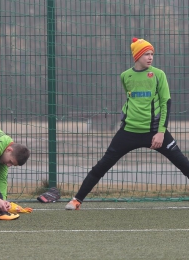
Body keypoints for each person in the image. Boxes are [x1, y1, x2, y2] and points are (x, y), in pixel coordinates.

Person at [65, 37, 189, 210]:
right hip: (128, 132)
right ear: (137, 56)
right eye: (146, 53)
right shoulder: (126, 76)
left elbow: (165, 104)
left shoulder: (159, 75)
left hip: (155, 132)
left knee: (183, 163)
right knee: (102, 165)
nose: (150, 57)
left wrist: (161, 132)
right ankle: (77, 200)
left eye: (152, 54)